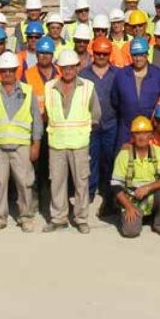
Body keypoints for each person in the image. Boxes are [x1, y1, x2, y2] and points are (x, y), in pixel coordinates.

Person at [44, 49, 100, 234]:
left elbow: (96, 114)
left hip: (79, 143)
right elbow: (47, 114)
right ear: (59, 68)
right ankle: (58, 217)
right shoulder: (49, 87)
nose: (67, 71)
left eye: (71, 67)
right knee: (57, 182)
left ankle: (81, 218)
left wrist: (82, 130)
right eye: (64, 67)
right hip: (57, 143)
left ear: (78, 67)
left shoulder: (88, 87)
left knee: (81, 183)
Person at [0, 52, 42, 233]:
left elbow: (37, 120)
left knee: (24, 182)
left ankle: (25, 217)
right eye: (4, 71)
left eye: (11, 70)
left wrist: (36, 144)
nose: (7, 74)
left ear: (16, 71)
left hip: (21, 146)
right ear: (0, 71)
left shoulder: (27, 91)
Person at [111, 116, 160, 237]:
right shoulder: (124, 155)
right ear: (132, 136)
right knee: (131, 232)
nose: (141, 137)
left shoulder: (159, 153)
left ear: (151, 135)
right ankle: (129, 216)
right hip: (131, 198)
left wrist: (147, 188)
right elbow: (115, 185)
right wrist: (128, 206)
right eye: (137, 133)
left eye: (145, 133)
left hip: (151, 195)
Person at [110, 37, 160, 151]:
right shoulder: (121, 75)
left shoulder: (159, 75)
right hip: (126, 130)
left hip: (150, 130)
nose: (138, 59)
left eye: (141, 55)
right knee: (124, 162)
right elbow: (115, 100)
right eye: (135, 55)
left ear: (147, 54)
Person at [82, 36, 119, 211]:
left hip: (111, 124)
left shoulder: (118, 74)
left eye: (105, 54)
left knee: (109, 159)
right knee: (91, 159)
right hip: (91, 125)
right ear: (93, 53)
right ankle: (90, 190)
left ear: (109, 54)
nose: (101, 57)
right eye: (98, 53)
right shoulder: (84, 74)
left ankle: (108, 191)